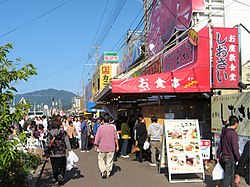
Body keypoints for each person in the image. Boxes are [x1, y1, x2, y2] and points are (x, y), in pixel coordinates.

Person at [44, 117, 71, 186]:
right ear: (59, 125)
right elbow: (67, 142)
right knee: (62, 167)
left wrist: (46, 151)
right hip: (62, 153)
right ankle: (61, 177)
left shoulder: (49, 133)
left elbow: (47, 143)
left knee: (54, 167)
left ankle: (56, 176)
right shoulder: (63, 133)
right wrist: (69, 150)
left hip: (53, 153)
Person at [217, 115, 240, 187]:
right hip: (230, 158)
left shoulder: (224, 132)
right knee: (227, 179)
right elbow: (235, 148)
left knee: (230, 178)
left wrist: (218, 155)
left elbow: (220, 145)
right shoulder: (233, 134)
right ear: (236, 123)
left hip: (223, 157)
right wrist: (239, 158)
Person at [94, 114, 119, 179]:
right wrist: (117, 146)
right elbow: (116, 137)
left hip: (102, 147)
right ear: (109, 120)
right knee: (110, 160)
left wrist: (96, 145)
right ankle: (107, 173)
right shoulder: (113, 128)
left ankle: (103, 170)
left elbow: (97, 138)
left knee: (101, 159)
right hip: (111, 147)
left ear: (103, 120)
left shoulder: (100, 128)